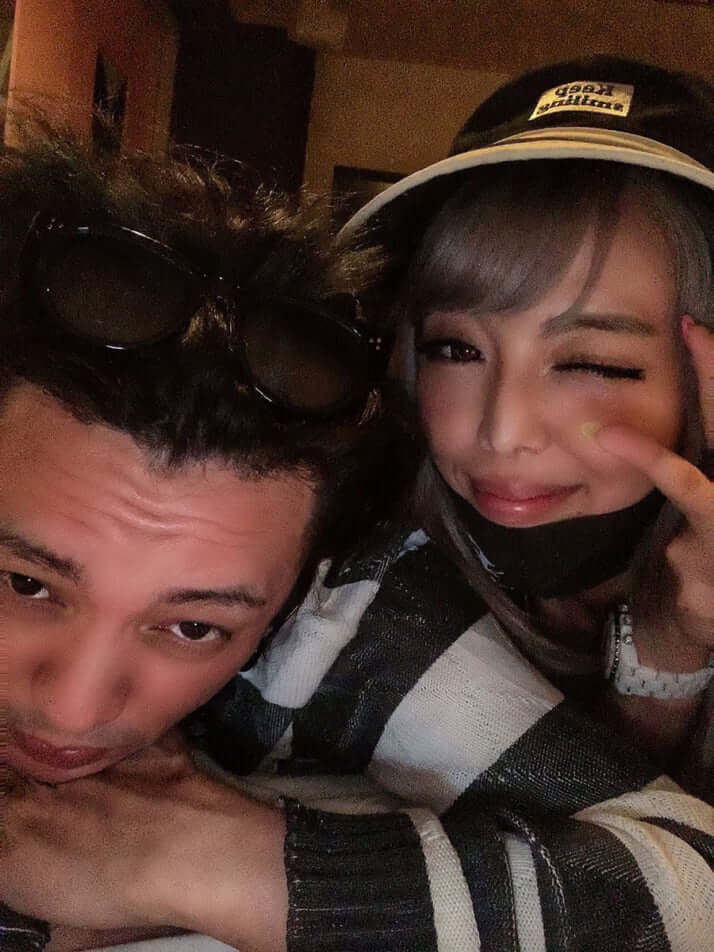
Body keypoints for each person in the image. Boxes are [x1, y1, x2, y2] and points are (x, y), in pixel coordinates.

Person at [4, 57, 714, 952]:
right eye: (455, 349)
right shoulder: (375, 530)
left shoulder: (340, 606)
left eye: (594, 362)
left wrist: (223, 864)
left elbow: (681, 879)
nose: (500, 432)